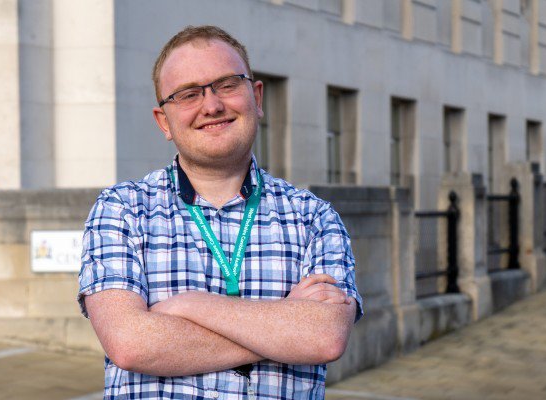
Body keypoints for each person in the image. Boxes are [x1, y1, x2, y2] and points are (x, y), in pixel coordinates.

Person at [77, 25, 363, 399]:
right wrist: (285, 328)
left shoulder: (315, 218)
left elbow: (324, 337)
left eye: (227, 84)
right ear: (164, 121)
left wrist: (189, 306)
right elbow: (129, 344)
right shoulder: (121, 210)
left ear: (256, 97)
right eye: (188, 94)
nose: (211, 105)